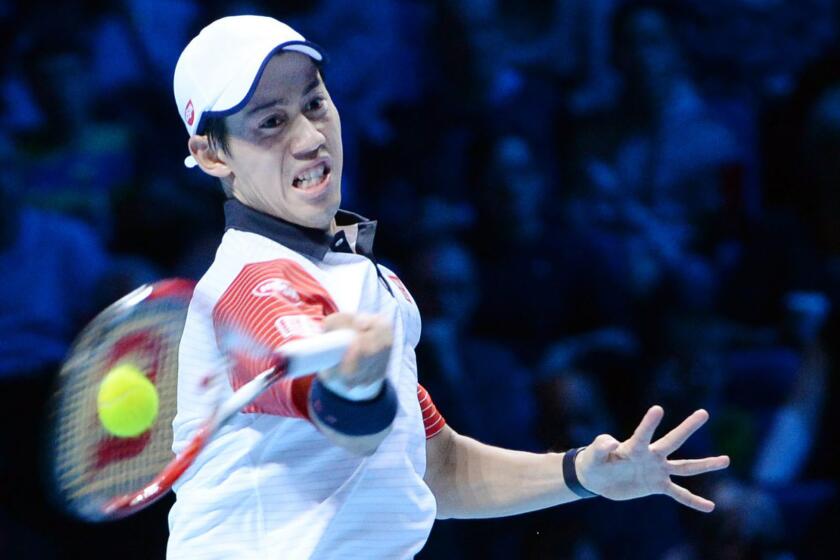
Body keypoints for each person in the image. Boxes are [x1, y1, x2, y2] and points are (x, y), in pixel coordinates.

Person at [168, 15, 730, 559]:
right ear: (212, 154)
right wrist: (352, 385)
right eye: (271, 122)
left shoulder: (358, 271)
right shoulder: (248, 288)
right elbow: (340, 413)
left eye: (314, 104)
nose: (311, 136)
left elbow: (435, 468)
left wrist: (581, 473)